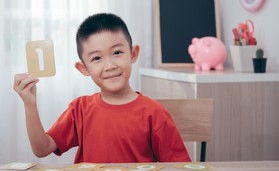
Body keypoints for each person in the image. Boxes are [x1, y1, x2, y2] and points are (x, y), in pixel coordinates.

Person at [13, 13, 191, 163]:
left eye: (117, 53)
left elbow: (179, 170)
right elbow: (42, 149)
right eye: (97, 58)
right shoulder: (79, 109)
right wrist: (30, 105)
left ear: (133, 54)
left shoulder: (155, 113)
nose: (110, 65)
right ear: (83, 68)